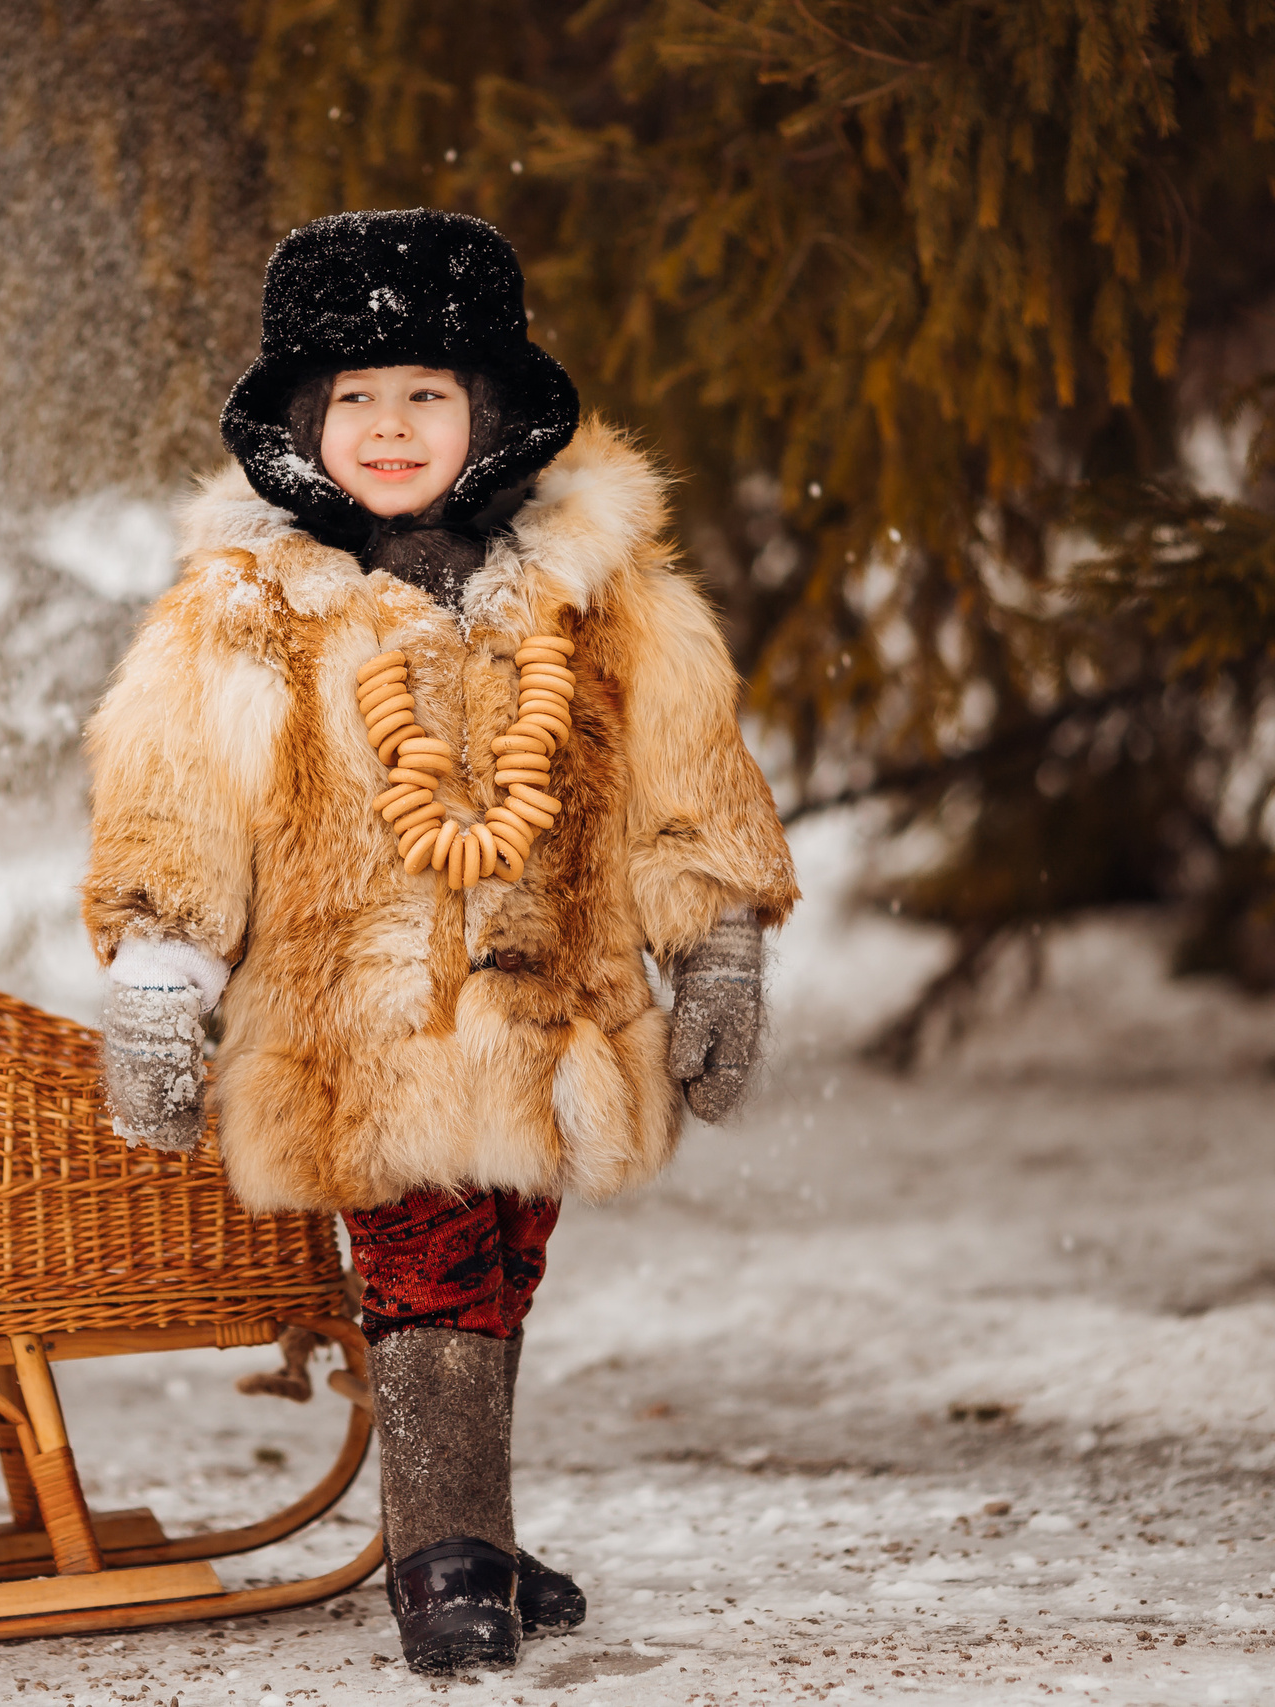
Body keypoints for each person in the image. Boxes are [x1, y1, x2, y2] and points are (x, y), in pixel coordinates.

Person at [80, 208, 796, 1675]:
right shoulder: (247, 613)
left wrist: (717, 940)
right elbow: (176, 801)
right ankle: (445, 1553)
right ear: (301, 425)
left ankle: (473, 1515)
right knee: (425, 1267)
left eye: (426, 395)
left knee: (507, 1254)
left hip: (556, 1006)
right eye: (354, 400)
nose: (390, 428)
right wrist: (163, 976)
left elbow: (683, 768)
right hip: (358, 1026)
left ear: (490, 416)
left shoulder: (602, 596)